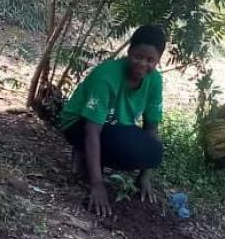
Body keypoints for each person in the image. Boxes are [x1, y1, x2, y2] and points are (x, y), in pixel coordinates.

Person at [58, 25, 166, 216]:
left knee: (154, 151)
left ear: (158, 61)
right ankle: (84, 156)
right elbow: (92, 131)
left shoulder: (155, 81)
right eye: (138, 56)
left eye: (150, 60)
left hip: (116, 127)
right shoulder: (106, 76)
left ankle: (92, 159)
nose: (142, 64)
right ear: (129, 52)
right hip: (80, 124)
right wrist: (97, 185)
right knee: (119, 147)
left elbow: (151, 127)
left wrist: (145, 176)